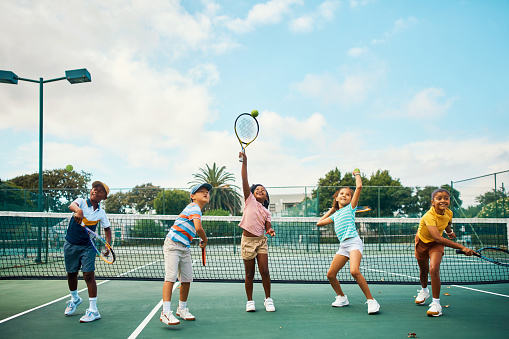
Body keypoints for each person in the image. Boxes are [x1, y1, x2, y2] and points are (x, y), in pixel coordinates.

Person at [316, 169, 380, 314]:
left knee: (354, 271)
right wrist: (331, 210)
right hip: (343, 246)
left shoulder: (351, 208)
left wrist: (357, 173)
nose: (344, 195)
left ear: (351, 199)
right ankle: (341, 297)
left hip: (354, 243)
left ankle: (371, 301)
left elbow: (359, 187)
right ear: (337, 198)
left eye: (347, 194)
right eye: (341, 194)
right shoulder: (336, 214)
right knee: (330, 274)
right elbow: (319, 223)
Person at [414, 188, 475, 317]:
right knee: (423, 271)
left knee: (434, 269)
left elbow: (446, 222)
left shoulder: (449, 213)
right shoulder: (428, 216)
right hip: (422, 243)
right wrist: (462, 247)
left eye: (446, 198)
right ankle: (424, 290)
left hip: (436, 245)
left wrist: (449, 231)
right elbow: (437, 237)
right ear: (432, 202)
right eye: (439, 198)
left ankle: (436, 304)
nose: (443, 200)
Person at [160, 183, 210, 326]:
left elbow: (194, 228)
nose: (205, 193)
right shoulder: (194, 207)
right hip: (173, 245)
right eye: (201, 192)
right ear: (193, 196)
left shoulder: (197, 210)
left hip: (185, 247)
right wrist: (205, 240)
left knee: (187, 279)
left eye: (207, 192)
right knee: (170, 278)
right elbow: (198, 228)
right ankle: (165, 312)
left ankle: (181, 309)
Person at [64, 181, 111, 323]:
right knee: (71, 274)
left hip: (88, 246)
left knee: (88, 275)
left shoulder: (101, 213)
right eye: (94, 188)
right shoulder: (81, 202)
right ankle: (75, 298)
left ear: (104, 197)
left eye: (100, 190)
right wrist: (78, 211)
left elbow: (107, 229)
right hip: (71, 244)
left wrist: (108, 245)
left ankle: (93, 310)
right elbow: (72, 205)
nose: (96, 191)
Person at [238, 151, 276, 312]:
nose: (261, 190)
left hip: (261, 241)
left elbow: (267, 225)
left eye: (263, 190)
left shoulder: (267, 212)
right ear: (252, 194)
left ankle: (268, 299)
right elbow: (244, 179)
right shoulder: (249, 201)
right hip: (247, 242)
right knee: (249, 274)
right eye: (257, 189)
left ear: (266, 197)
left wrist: (270, 230)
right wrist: (244, 162)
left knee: (265, 271)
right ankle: (250, 301)